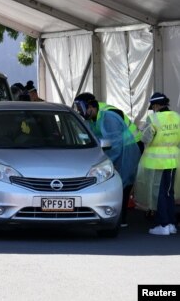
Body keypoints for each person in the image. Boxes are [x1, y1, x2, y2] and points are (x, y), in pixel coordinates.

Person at [73, 94, 141, 227]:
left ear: (91, 106)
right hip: (115, 147)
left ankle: (121, 219)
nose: (80, 112)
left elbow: (115, 145)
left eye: (81, 108)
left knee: (123, 181)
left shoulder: (108, 116)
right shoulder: (93, 116)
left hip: (130, 146)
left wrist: (107, 163)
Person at [133, 92, 180, 236]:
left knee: (158, 193)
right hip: (173, 159)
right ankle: (171, 224)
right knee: (169, 193)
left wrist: (141, 131)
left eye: (153, 106)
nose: (153, 109)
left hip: (156, 162)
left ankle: (163, 224)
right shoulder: (177, 117)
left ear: (156, 105)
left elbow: (146, 138)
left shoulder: (153, 118)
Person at [75, 92, 143, 153]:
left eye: (81, 110)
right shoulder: (91, 118)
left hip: (133, 143)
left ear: (90, 107)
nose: (80, 113)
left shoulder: (108, 116)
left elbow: (115, 142)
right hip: (122, 144)